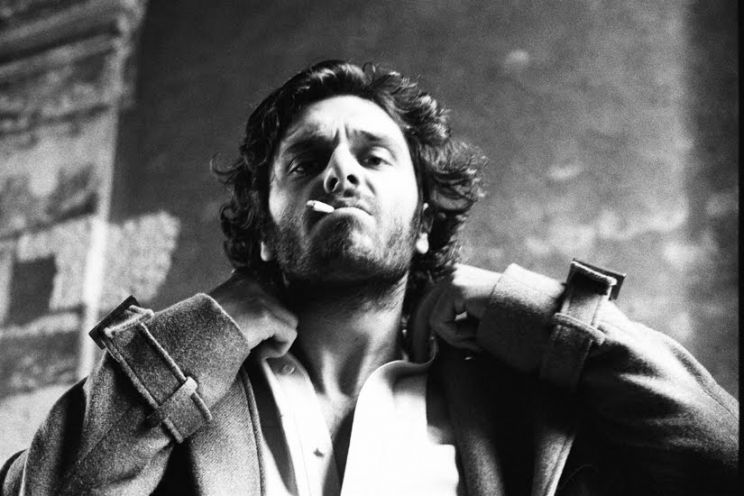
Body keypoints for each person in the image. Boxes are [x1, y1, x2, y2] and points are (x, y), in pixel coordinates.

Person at [0, 60, 737, 496]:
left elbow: (721, 460)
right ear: (264, 228)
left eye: (374, 156)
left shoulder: (517, 414)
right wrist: (202, 333)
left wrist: (535, 314)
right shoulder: (178, 414)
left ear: (424, 224)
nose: (340, 171)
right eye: (306, 159)